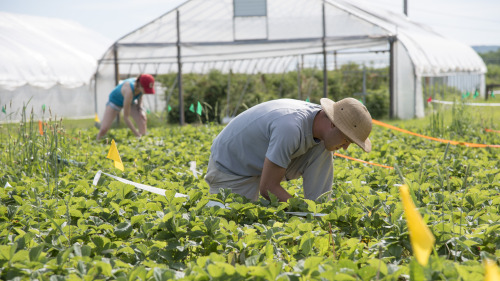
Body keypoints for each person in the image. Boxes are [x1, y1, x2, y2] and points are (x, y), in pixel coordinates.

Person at [205, 97, 372, 202]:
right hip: (232, 168)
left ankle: (320, 208)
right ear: (333, 124)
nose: (345, 147)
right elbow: (268, 188)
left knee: (324, 146)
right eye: (346, 139)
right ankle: (313, 213)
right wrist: (301, 211)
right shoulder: (290, 127)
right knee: (234, 224)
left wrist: (313, 215)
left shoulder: (319, 121)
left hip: (262, 161)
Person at [97, 74, 155, 140]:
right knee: (104, 129)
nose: (146, 92)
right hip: (115, 102)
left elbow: (140, 98)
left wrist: (141, 110)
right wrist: (136, 134)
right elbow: (126, 117)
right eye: (146, 89)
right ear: (140, 85)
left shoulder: (140, 86)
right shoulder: (129, 90)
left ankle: (144, 140)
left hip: (130, 101)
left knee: (142, 120)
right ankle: (97, 141)